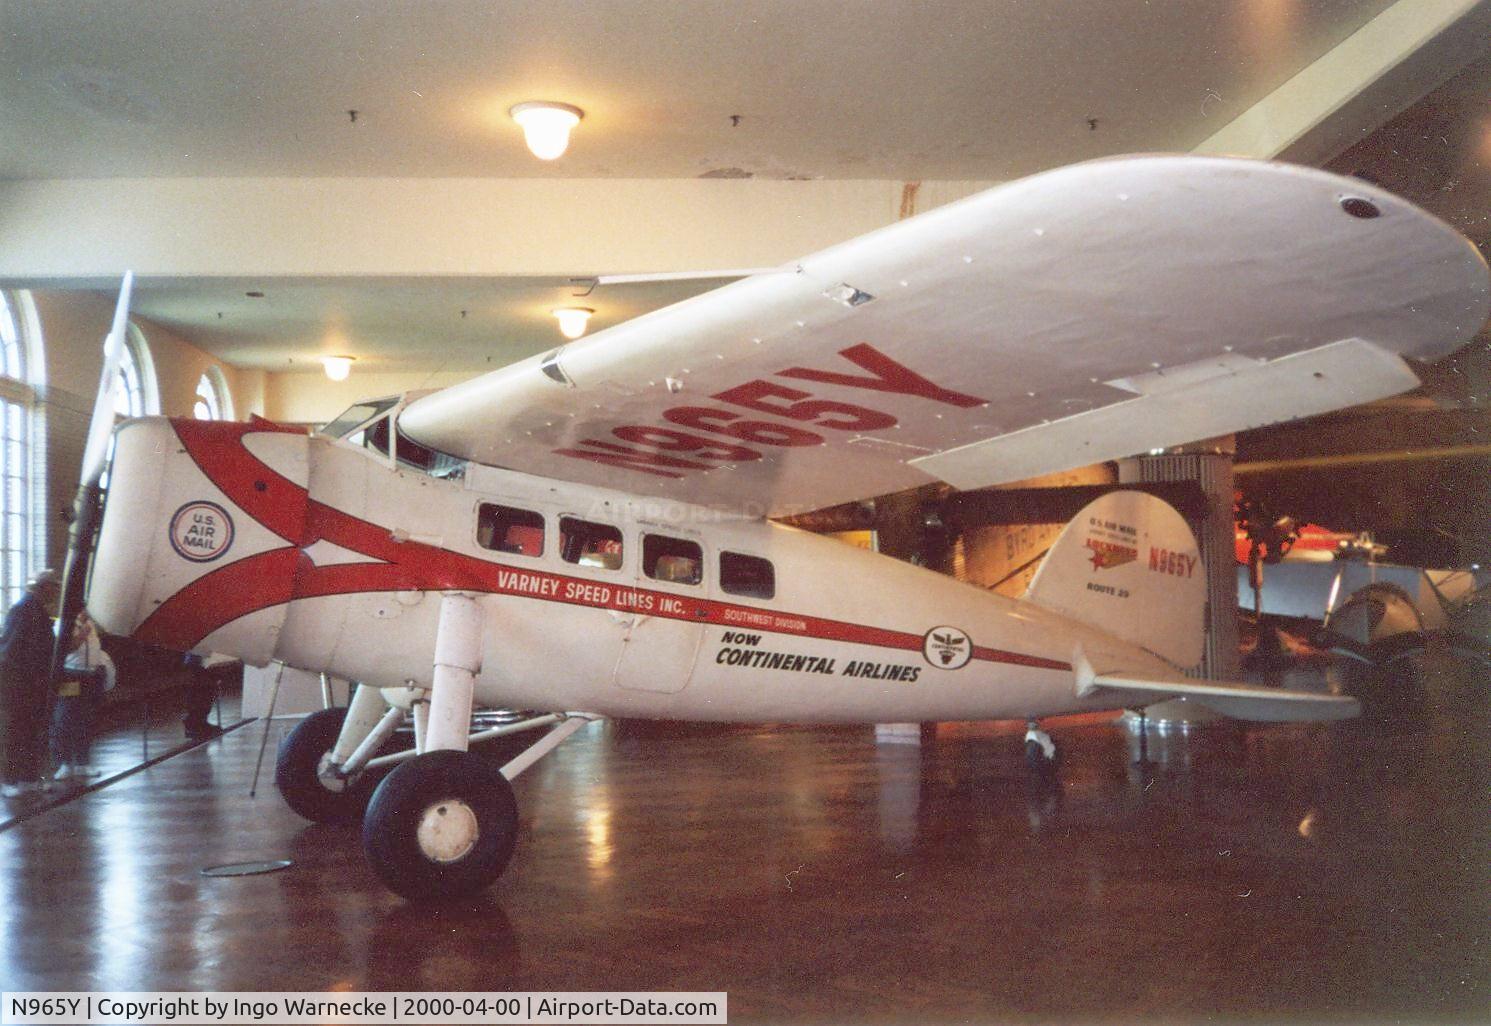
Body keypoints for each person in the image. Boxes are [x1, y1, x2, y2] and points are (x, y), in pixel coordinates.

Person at [1, 570, 62, 797]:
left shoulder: (36, 610)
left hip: (34, 685)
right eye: (53, 587)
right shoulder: (23, 610)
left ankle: (27, 778)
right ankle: (11, 781)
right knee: (18, 733)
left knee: (30, 733)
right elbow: (10, 651)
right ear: (42, 587)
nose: (56, 593)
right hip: (21, 686)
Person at [51, 610, 112, 781]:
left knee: (86, 719)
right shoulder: (63, 623)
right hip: (71, 675)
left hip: (90, 677)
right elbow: (66, 649)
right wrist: (82, 633)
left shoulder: (92, 624)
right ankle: (63, 763)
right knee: (64, 718)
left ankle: (82, 763)